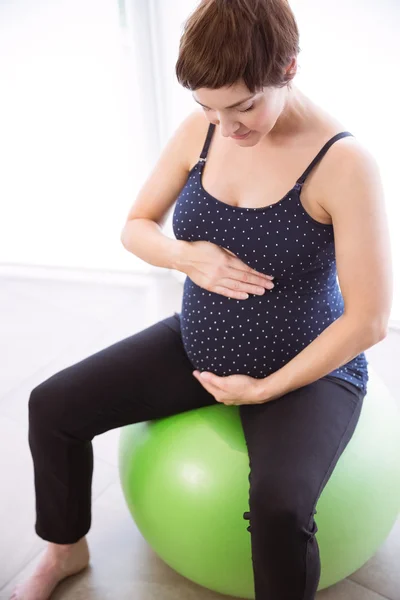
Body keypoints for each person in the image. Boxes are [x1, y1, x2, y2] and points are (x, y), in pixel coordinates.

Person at [11, 0, 392, 599]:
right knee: (53, 407)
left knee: (279, 507)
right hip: (197, 341)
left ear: (288, 67)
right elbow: (136, 225)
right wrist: (187, 256)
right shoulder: (206, 128)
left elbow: (370, 320)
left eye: (242, 106)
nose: (228, 126)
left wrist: (264, 389)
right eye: (208, 106)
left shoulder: (344, 164)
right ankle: (64, 552)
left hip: (307, 370)